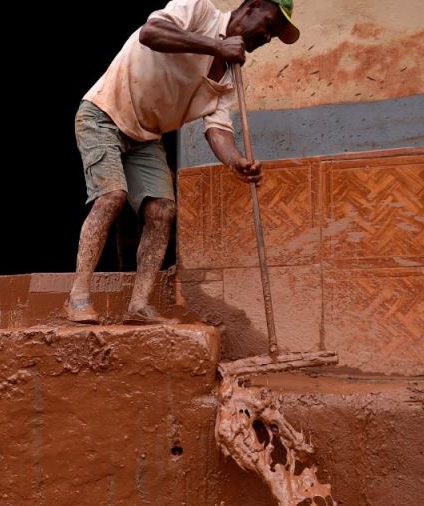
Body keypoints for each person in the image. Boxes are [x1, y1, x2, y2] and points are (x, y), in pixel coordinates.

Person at [65, 0, 300, 325]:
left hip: (146, 136)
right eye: (270, 25)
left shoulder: (230, 77)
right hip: (104, 113)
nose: (269, 37)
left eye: (274, 34)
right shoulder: (199, 9)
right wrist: (217, 45)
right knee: (112, 196)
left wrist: (236, 161)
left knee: (162, 209)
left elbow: (217, 130)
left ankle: (139, 306)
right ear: (252, 7)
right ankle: (78, 296)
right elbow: (152, 33)